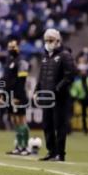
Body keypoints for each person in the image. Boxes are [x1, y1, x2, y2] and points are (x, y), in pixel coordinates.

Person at [35, 29, 75, 161]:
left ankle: (60, 153)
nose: (48, 43)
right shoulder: (45, 56)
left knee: (60, 125)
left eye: (50, 40)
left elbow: (69, 76)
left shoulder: (65, 55)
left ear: (58, 40)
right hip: (47, 97)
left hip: (60, 98)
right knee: (47, 125)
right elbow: (41, 76)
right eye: (46, 40)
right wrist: (37, 91)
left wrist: (57, 89)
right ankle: (51, 151)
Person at [0, 40, 30, 156]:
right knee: (14, 120)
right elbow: (5, 78)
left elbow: (22, 81)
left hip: (18, 95)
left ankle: (26, 147)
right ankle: (18, 146)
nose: (11, 48)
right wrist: (3, 93)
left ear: (18, 47)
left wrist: (18, 96)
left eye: (13, 46)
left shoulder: (21, 61)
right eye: (9, 46)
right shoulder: (9, 61)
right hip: (9, 95)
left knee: (21, 119)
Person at [70, 67, 88, 134]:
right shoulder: (77, 82)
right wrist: (76, 96)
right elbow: (73, 91)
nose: (83, 73)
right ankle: (85, 129)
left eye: (84, 71)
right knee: (84, 115)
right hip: (83, 100)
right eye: (82, 72)